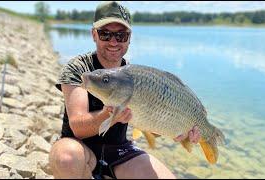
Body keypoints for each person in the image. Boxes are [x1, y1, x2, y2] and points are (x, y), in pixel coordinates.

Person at [49, 1, 201, 179]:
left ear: (129, 37)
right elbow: (78, 127)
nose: (113, 41)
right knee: (66, 158)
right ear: (94, 34)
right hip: (80, 147)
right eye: (105, 34)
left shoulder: (137, 77)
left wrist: (179, 132)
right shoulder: (81, 69)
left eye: (121, 35)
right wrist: (111, 113)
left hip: (119, 150)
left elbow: (150, 124)